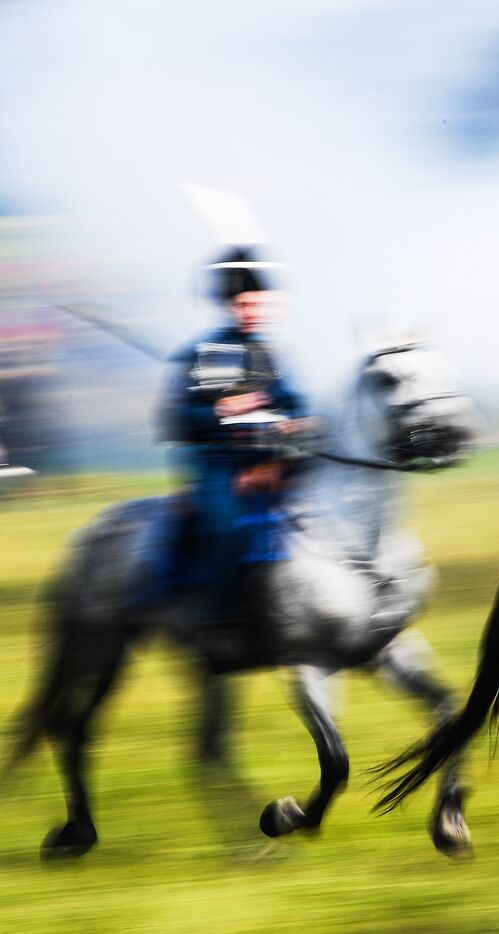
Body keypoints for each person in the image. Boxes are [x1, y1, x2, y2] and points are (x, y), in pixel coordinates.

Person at [160, 245, 308, 667]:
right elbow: (179, 420)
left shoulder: (270, 355)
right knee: (226, 529)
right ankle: (215, 620)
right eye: (243, 303)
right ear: (229, 305)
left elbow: (295, 405)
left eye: (258, 303)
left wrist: (292, 423)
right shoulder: (204, 353)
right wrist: (223, 408)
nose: (251, 310)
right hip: (217, 466)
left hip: (271, 464)